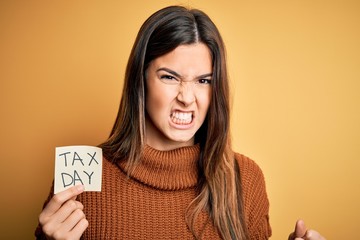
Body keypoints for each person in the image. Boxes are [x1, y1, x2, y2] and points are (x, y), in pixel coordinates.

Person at [35, 5, 326, 240]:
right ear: (141, 80)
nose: (187, 98)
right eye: (169, 77)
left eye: (203, 81)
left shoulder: (245, 179)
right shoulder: (82, 177)